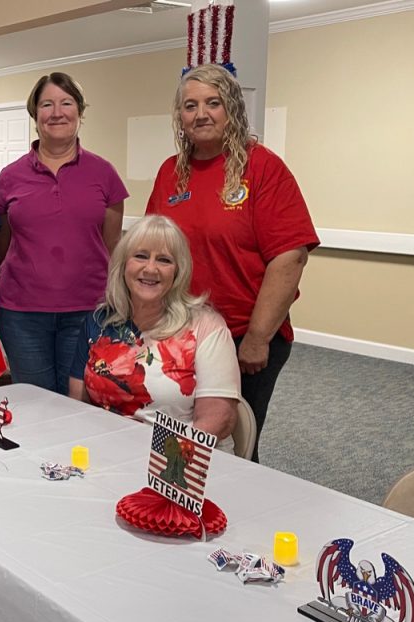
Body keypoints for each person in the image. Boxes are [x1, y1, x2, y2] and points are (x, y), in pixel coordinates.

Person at [146, 63, 319, 460]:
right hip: (180, 333)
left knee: (230, 443)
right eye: (190, 106)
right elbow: (155, 251)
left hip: (244, 337)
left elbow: (290, 257)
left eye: (213, 103)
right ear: (180, 116)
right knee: (176, 433)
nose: (201, 114)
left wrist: (258, 338)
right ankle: (171, 511)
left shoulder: (262, 167)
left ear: (233, 109)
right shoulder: (171, 172)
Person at [0, 72, 129, 395]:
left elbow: (112, 249)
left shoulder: (104, 173)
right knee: (33, 402)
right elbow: (2, 246)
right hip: (22, 314)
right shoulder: (10, 178)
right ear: (34, 115)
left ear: (79, 114)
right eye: (47, 105)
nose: (57, 112)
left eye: (66, 103)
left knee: (81, 401)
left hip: (88, 311)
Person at [68, 216, 241, 454]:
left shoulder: (206, 327)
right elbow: (78, 403)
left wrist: (152, 457)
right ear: (123, 264)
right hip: (109, 453)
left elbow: (218, 420)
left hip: (178, 463)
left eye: (164, 260)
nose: (150, 269)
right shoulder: (98, 321)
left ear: (178, 272)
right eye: (140, 256)